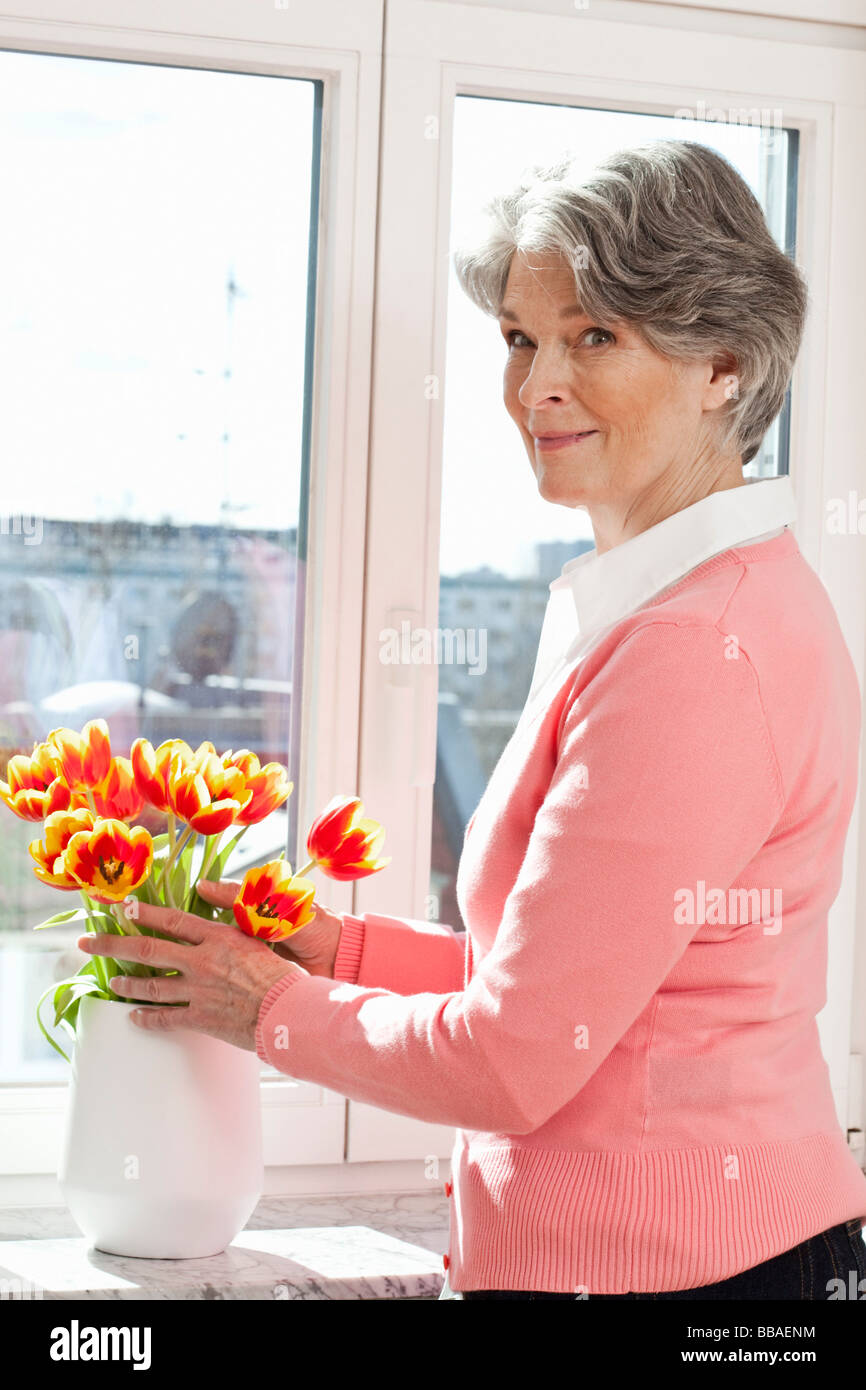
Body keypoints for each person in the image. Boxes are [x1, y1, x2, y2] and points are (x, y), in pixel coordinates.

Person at [98, 140, 866, 1299]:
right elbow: (562, 986)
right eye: (520, 337)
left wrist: (267, 1010)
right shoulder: (664, 603)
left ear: (722, 361)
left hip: (686, 1282)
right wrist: (335, 953)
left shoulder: (695, 648)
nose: (532, 385)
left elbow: (515, 1059)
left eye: (591, 336)